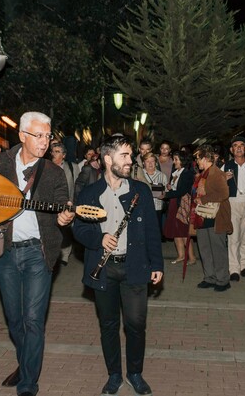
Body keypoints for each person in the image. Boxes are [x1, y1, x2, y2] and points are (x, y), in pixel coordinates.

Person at [0, 111, 75, 396]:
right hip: (6, 253)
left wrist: (64, 217)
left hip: (38, 252)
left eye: (47, 136)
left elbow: (60, 203)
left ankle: (28, 384)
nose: (45, 142)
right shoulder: (1, 163)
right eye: (39, 135)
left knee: (33, 319)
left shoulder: (54, 172)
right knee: (15, 319)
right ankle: (26, 362)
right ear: (22, 136)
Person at [73, 134, 163, 396]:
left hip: (134, 267)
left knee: (135, 324)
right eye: (124, 155)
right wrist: (99, 238)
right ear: (107, 158)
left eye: (130, 155)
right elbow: (79, 229)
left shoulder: (140, 191)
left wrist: (157, 263)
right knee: (108, 324)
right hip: (104, 269)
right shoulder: (90, 193)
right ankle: (114, 375)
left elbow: (151, 231)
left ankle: (135, 373)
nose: (130, 160)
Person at [192, 145, 233, 292]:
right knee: (204, 249)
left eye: (198, 159)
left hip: (216, 217)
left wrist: (203, 199)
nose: (197, 162)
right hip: (203, 216)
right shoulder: (203, 174)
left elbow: (224, 194)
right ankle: (209, 277)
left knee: (218, 249)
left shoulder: (216, 173)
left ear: (205, 158)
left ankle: (223, 280)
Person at [222, 136, 245, 282]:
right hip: (233, 202)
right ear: (231, 149)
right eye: (235, 145)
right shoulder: (226, 166)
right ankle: (233, 268)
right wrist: (223, 179)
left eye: (242, 145)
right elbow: (217, 186)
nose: (239, 148)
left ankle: (244, 265)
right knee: (233, 236)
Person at [163, 151, 197, 264]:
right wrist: (170, 187)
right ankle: (181, 255)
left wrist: (166, 195)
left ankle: (192, 257)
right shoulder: (176, 172)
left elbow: (182, 191)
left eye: (176, 159)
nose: (174, 161)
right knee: (176, 231)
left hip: (182, 205)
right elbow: (175, 188)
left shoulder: (187, 174)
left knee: (183, 231)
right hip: (174, 203)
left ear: (183, 161)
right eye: (174, 159)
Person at [50, 142, 80, 265]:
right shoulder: (46, 166)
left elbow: (78, 185)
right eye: (53, 151)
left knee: (66, 229)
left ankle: (64, 255)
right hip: (50, 204)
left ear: (64, 155)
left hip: (67, 202)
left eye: (57, 152)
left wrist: (75, 203)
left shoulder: (72, 167)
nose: (54, 154)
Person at [142, 152, 168, 235]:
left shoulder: (162, 176)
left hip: (157, 207)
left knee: (156, 231)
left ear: (156, 163)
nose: (150, 163)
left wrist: (164, 194)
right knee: (143, 231)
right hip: (143, 208)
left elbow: (166, 191)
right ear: (143, 163)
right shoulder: (139, 174)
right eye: (147, 161)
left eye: (152, 161)